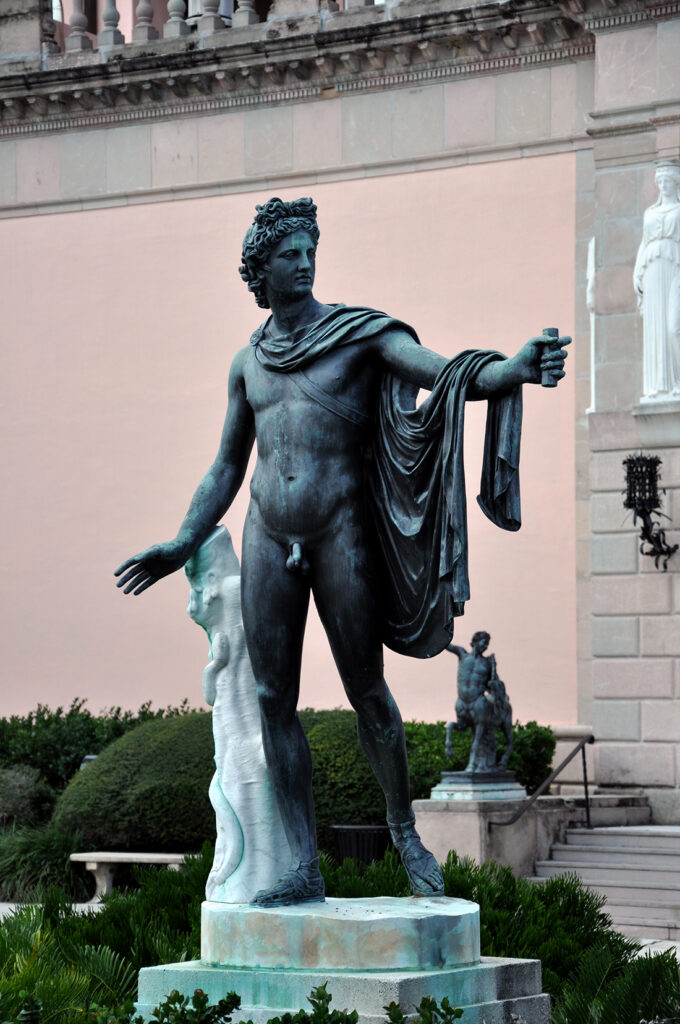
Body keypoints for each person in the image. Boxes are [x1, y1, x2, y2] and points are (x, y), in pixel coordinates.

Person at [115, 197, 569, 906]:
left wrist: (510, 370)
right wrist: (182, 539)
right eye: (289, 254)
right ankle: (303, 862)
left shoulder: (360, 336)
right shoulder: (248, 363)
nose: (303, 262)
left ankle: (403, 830)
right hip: (269, 532)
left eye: (309, 251)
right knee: (272, 698)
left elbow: (444, 373)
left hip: (340, 531)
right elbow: (227, 467)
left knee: (366, 691)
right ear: (260, 269)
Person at [185, 526, 294, 903]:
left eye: (195, 585)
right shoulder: (240, 595)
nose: (191, 603)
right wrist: (214, 666)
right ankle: (250, 879)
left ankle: (256, 881)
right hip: (237, 731)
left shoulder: (234, 593)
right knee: (235, 790)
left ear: (211, 578)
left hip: (248, 729)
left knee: (247, 791)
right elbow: (212, 691)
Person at [633, 161, 680, 400]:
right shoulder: (650, 213)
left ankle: (677, 380)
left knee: (674, 327)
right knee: (656, 328)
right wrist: (636, 273)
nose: (664, 186)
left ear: (675, 183)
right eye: (660, 182)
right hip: (651, 269)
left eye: (668, 181)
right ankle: (659, 386)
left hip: (674, 269)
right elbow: (644, 242)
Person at [445, 631, 512, 773]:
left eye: (487, 643)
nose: (486, 646)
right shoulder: (462, 654)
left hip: (478, 701)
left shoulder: (487, 663)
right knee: (452, 726)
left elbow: (493, 685)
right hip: (462, 702)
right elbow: (445, 644)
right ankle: (448, 743)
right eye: (484, 642)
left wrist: (494, 669)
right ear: (475, 641)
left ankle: (473, 763)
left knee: (478, 733)